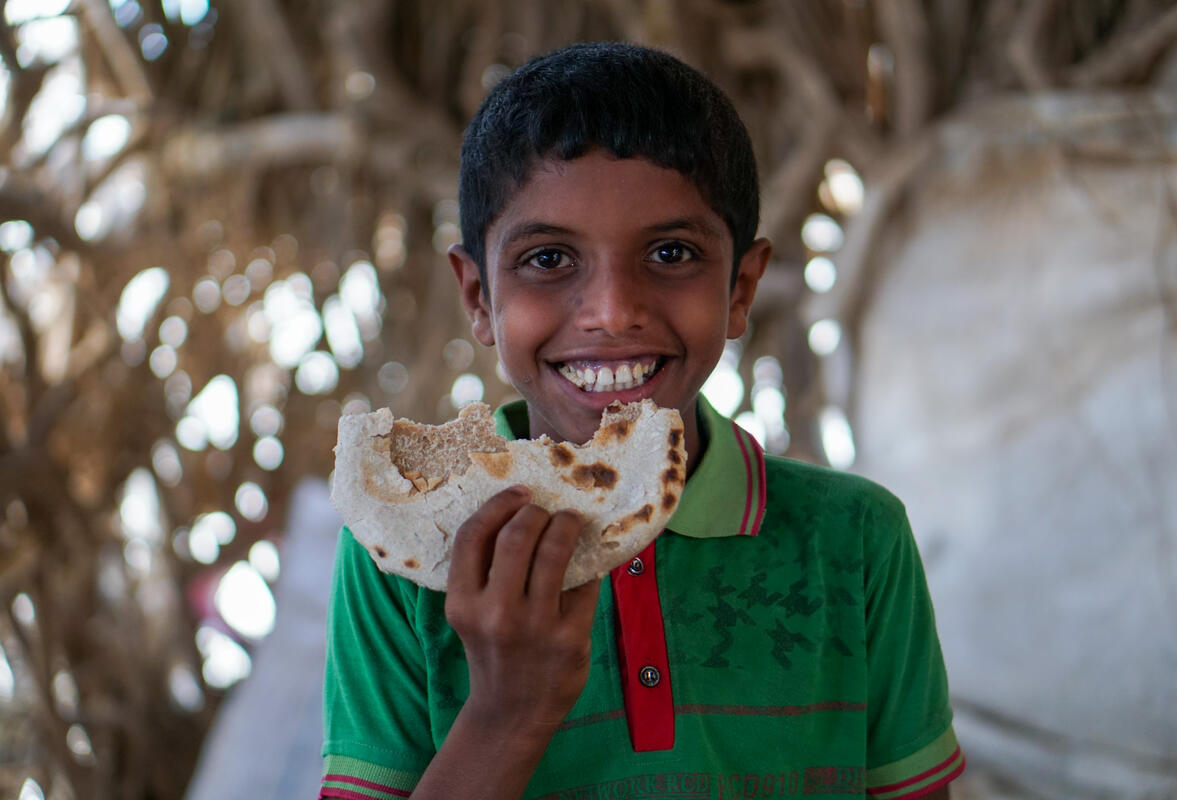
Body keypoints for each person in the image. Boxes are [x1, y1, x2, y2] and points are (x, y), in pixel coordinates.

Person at [321, 42, 963, 800]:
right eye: (549, 260)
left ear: (740, 288)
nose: (612, 311)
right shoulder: (405, 546)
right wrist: (509, 710)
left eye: (670, 251)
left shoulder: (855, 541)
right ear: (479, 299)